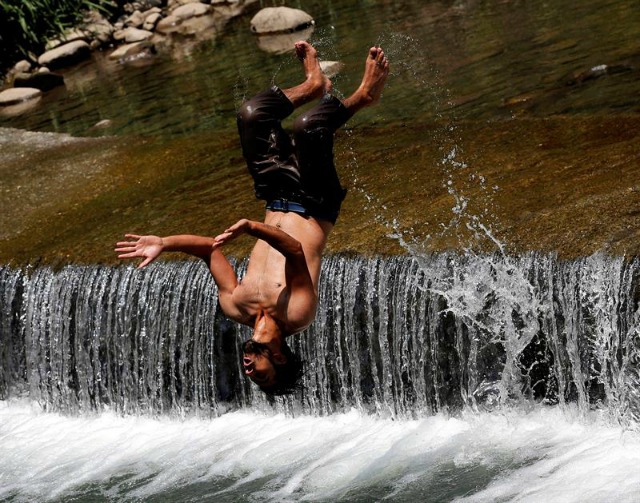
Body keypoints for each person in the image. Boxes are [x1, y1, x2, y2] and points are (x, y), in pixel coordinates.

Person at [115, 41, 389, 395]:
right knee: (308, 128)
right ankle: (364, 96)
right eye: (259, 374)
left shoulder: (235, 306)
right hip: (315, 203)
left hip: (276, 197)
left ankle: (312, 86)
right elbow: (293, 251)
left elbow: (210, 251)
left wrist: (164, 243)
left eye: (250, 375)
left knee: (252, 115)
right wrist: (251, 227)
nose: (248, 369)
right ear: (280, 359)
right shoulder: (298, 314)